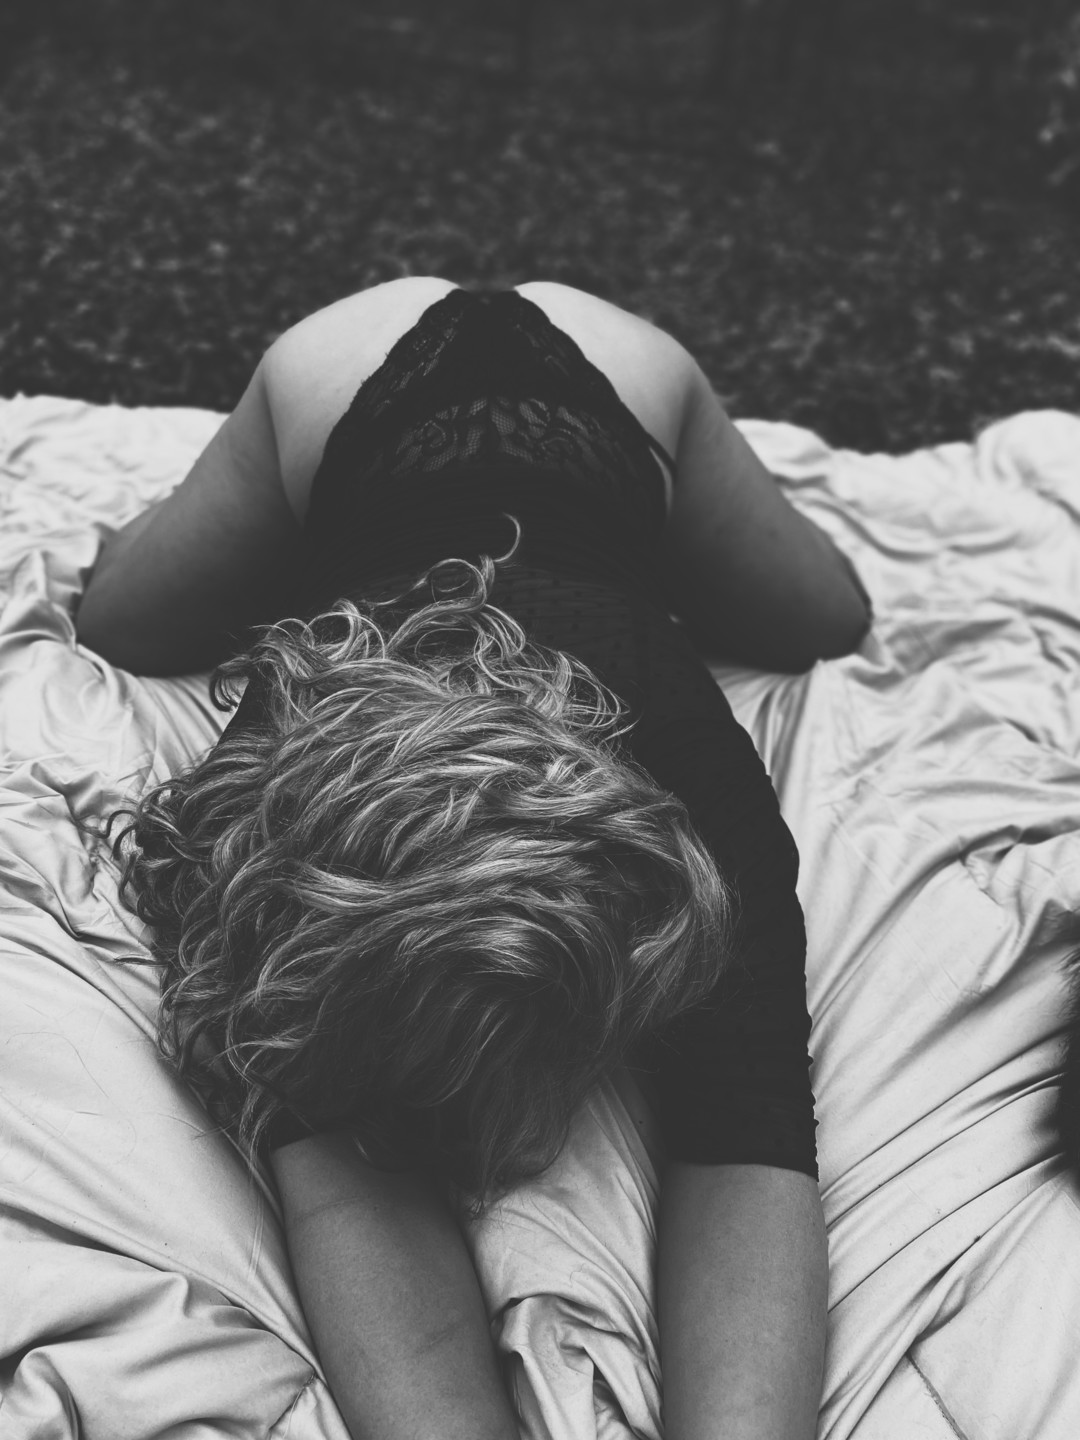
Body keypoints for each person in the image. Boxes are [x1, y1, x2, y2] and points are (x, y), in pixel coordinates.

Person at [76, 277, 872, 1440]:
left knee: (824, 618)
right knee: (121, 619)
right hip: (342, 399)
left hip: (613, 394)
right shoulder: (266, 849)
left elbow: (749, 1138)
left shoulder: (693, 807)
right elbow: (343, 1179)